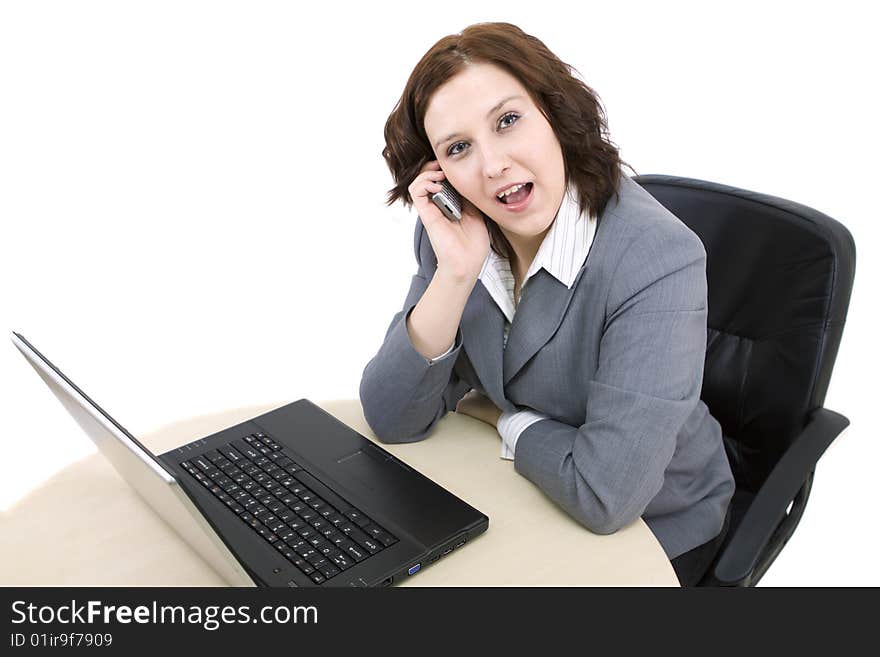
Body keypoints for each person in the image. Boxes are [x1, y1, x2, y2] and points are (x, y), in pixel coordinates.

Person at [359, 22, 735, 587]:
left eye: (507, 121)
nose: (491, 166)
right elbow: (392, 417)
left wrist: (506, 418)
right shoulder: (456, 239)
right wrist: (456, 274)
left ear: (554, 114)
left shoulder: (658, 257)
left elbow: (607, 495)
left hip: (658, 524)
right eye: (458, 148)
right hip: (526, 490)